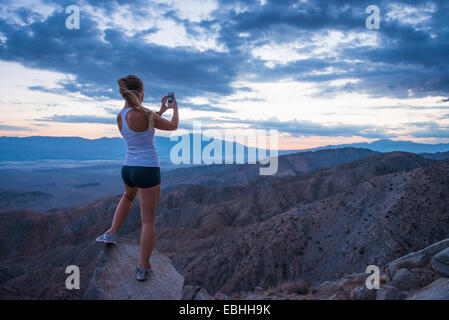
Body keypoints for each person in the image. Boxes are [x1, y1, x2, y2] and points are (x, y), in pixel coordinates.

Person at [96, 74, 179, 281]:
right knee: (148, 220)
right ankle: (143, 267)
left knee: (128, 196)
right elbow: (172, 126)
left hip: (128, 168)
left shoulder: (120, 116)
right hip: (148, 169)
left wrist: (161, 110)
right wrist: (174, 109)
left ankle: (111, 233)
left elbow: (143, 128)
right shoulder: (145, 114)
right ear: (140, 93)